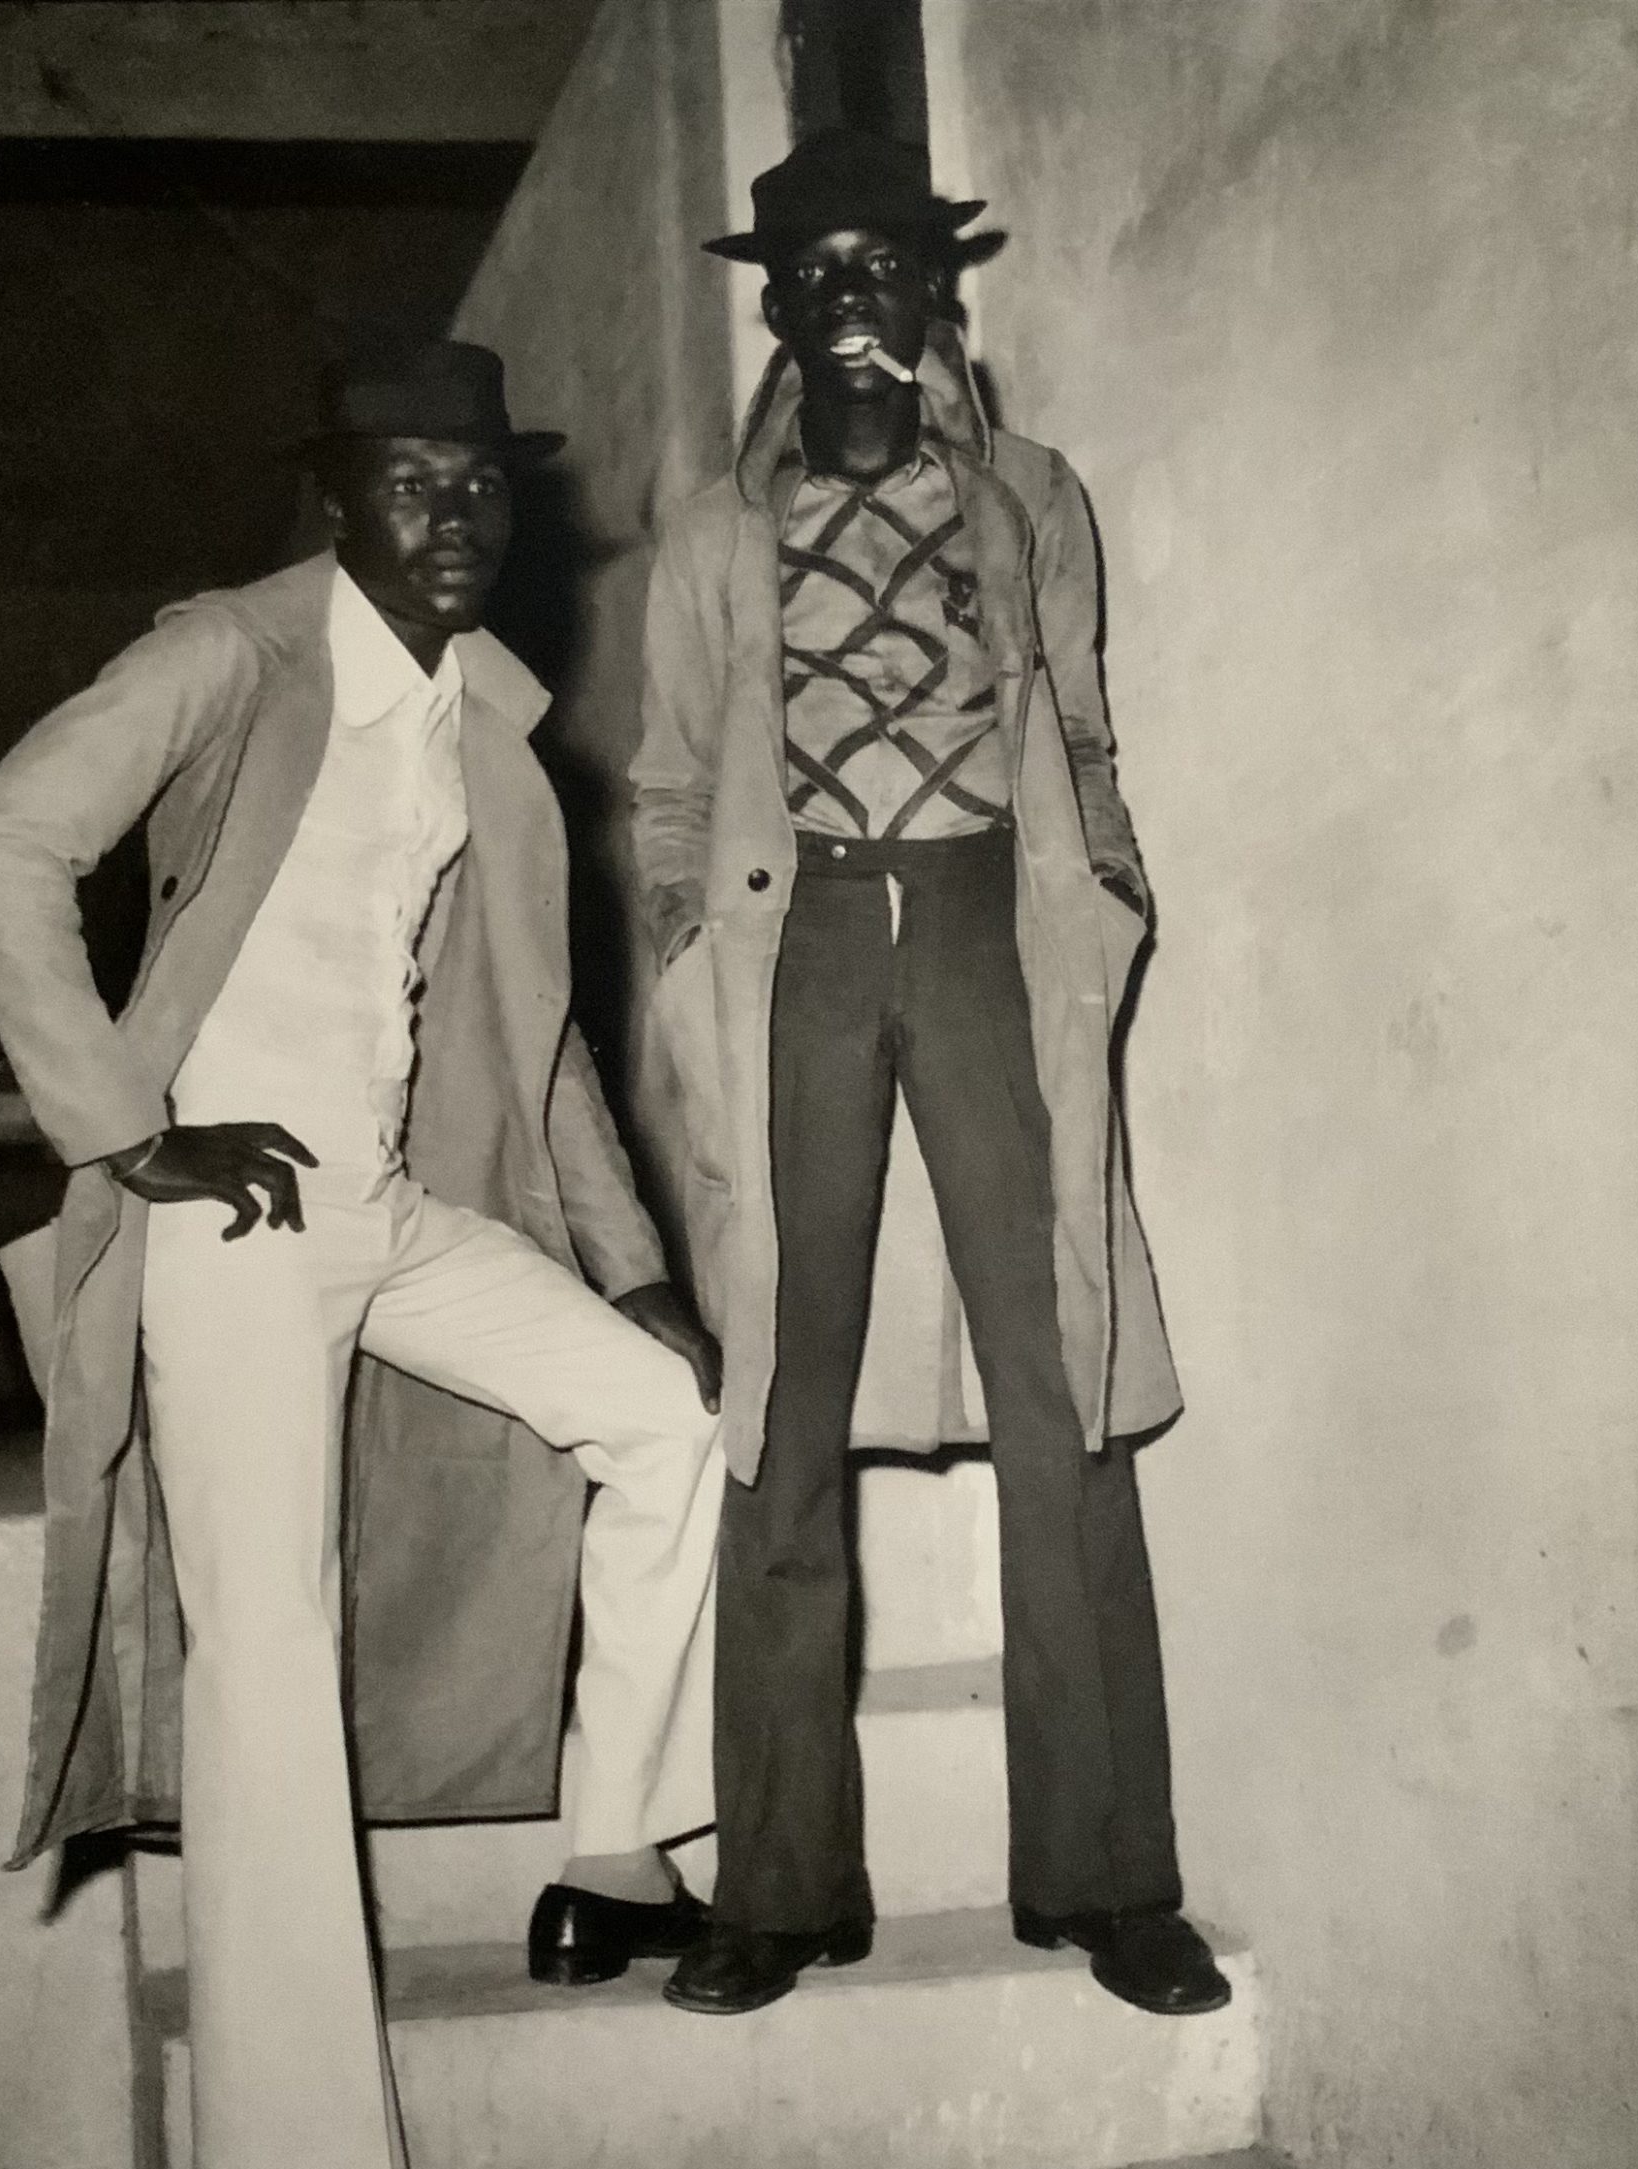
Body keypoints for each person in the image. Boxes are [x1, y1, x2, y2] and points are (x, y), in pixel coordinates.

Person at [0, 342, 724, 2169]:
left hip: (385, 1204)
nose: (456, 516)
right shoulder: (228, 653)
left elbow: (536, 1030)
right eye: (412, 481)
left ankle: (615, 1855)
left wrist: (627, 1257)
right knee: (268, 1651)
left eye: (484, 482)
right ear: (340, 496)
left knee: (664, 1417)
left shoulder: (487, 720)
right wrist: (128, 1128)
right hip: (228, 1220)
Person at [630, 132, 1230, 2024]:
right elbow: (670, 784)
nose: (852, 305)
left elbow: (1087, 735)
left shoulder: (1030, 495)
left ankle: (1107, 1876)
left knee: (1062, 1377)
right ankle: (783, 1885)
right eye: (816, 277)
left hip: (986, 924)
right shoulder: (715, 534)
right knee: (777, 1395)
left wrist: (1103, 897)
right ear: (778, 309)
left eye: (882, 268)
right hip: (794, 939)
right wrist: (689, 948)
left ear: (933, 289)